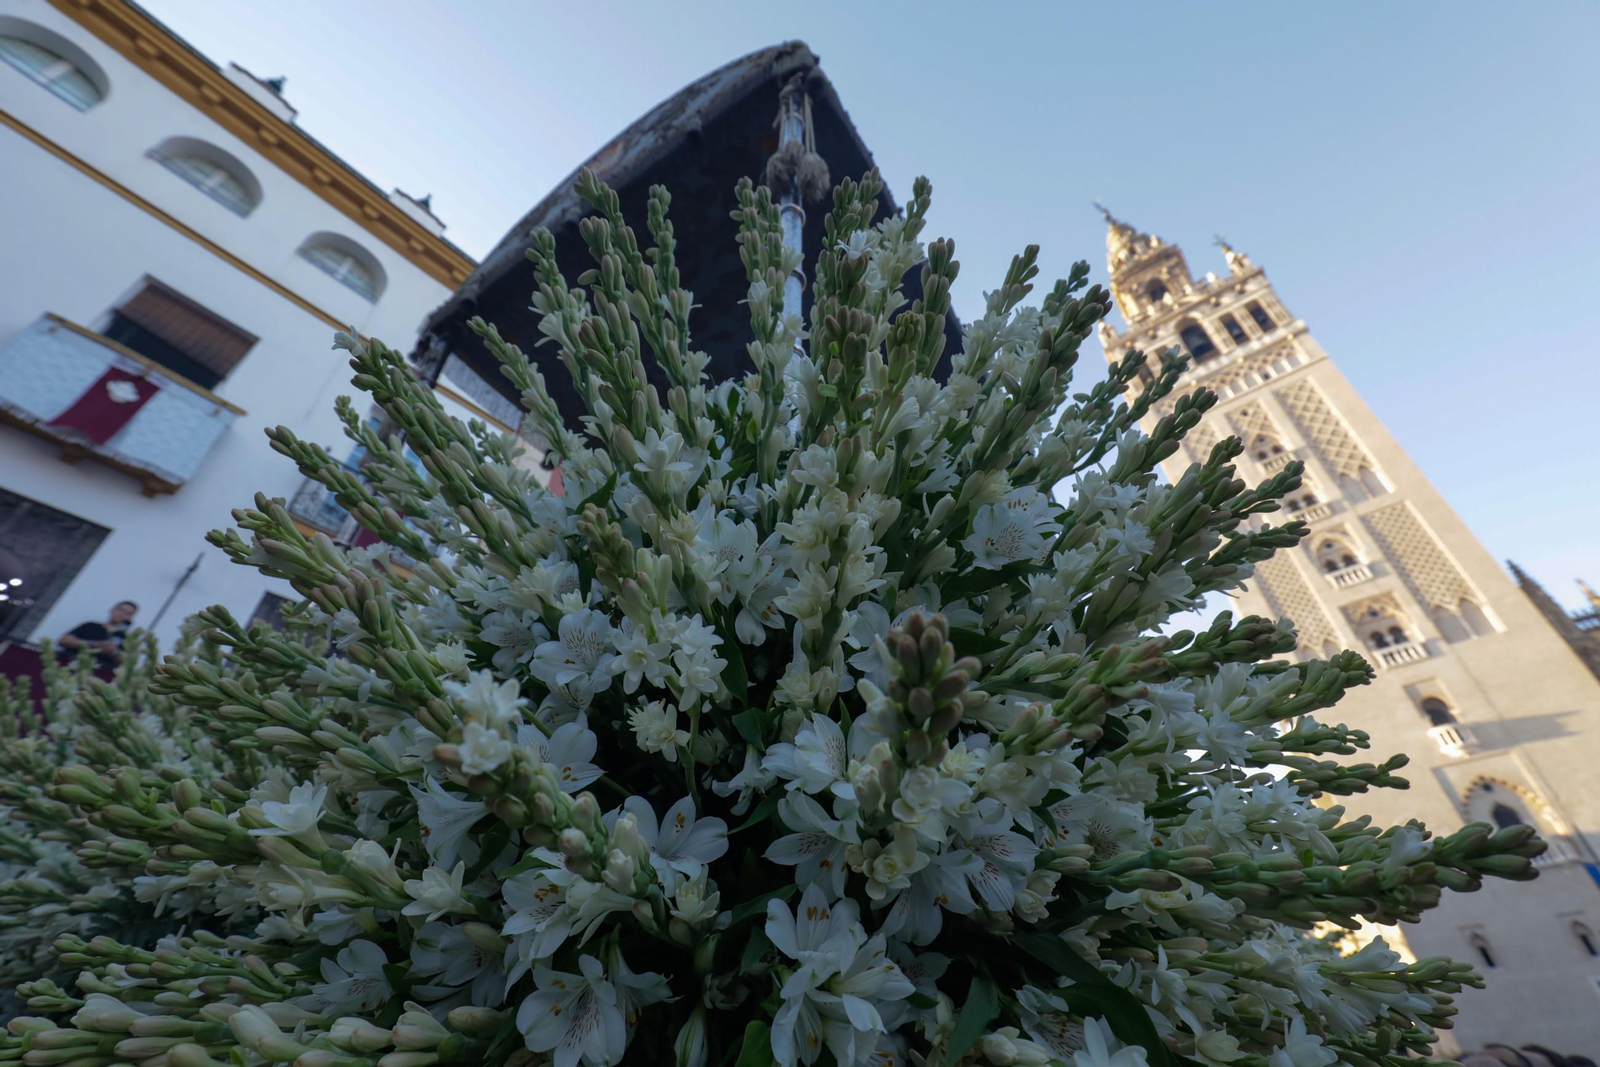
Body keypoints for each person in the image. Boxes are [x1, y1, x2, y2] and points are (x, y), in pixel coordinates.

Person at [57, 601, 137, 668]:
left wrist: (114, 652)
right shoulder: (90, 626)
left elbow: (127, 662)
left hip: (101, 674)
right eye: (121, 610)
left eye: (128, 613)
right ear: (113, 610)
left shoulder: (128, 639)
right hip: (73, 664)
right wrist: (95, 644)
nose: (122, 614)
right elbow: (64, 640)